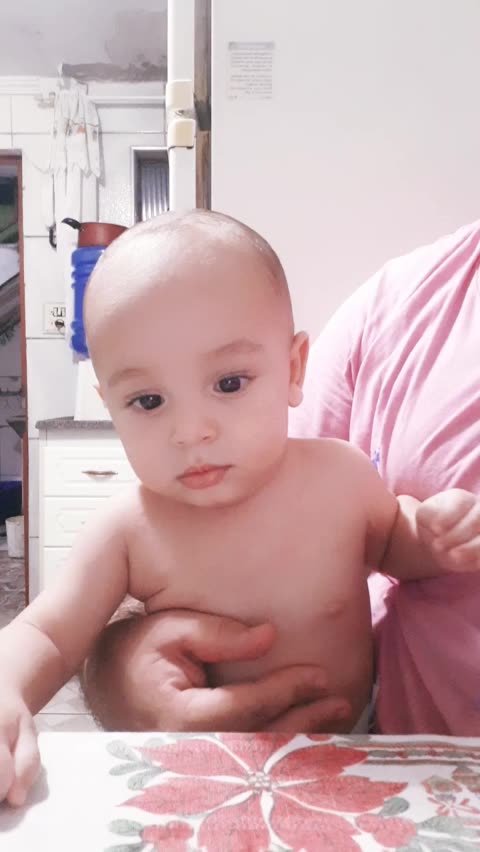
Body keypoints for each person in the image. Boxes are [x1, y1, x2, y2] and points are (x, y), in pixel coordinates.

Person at [1, 211, 479, 809]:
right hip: (205, 771)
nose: (190, 431)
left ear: (294, 369)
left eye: (229, 384)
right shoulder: (127, 530)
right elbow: (45, 633)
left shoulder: (341, 475)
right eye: (147, 401)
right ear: (109, 404)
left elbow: (391, 544)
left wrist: (430, 536)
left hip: (360, 754)